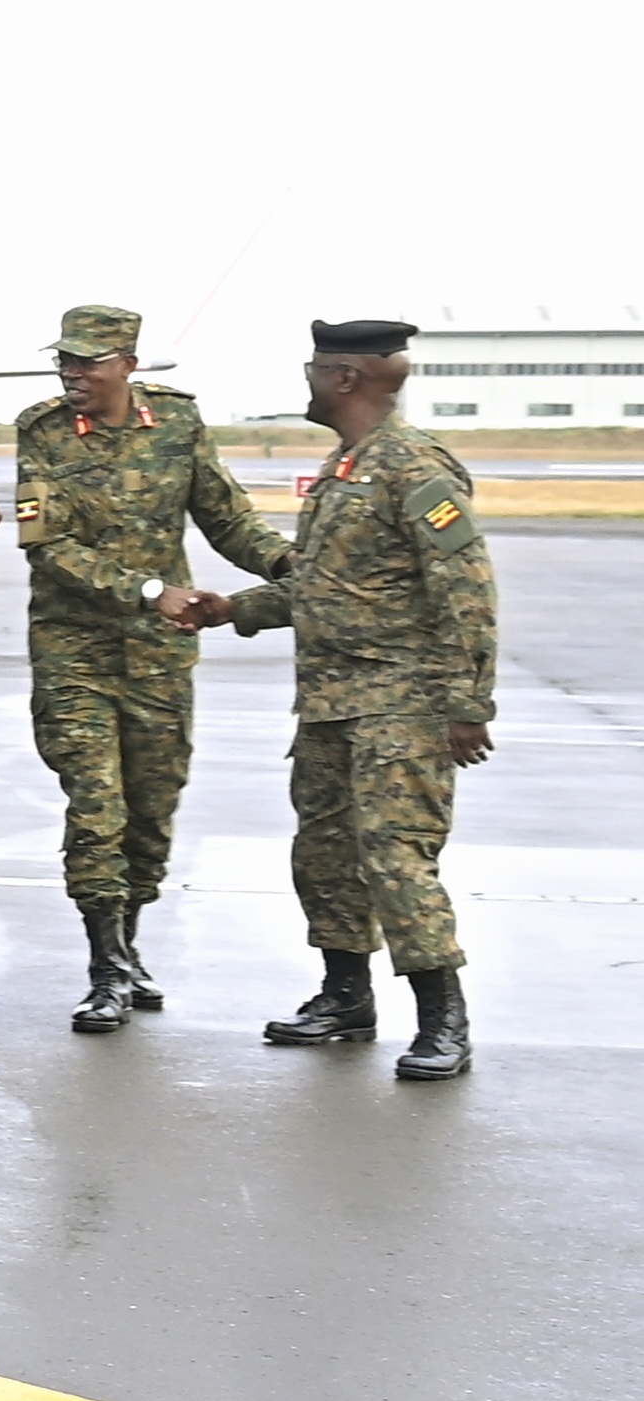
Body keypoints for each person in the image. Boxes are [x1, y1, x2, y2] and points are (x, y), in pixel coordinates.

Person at [174, 320, 496, 1080]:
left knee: (395, 859)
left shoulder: (412, 467)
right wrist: (236, 610)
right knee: (322, 857)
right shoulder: (344, 466)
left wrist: (467, 703)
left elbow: (466, 588)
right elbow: (326, 587)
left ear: (345, 378)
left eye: (314, 369)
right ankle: (345, 997)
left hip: (400, 707)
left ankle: (442, 1020)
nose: (307, 382)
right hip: (327, 704)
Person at [14, 304, 290, 1032]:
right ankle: (103, 964)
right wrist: (146, 592)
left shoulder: (175, 424)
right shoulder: (39, 432)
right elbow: (48, 546)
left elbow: (225, 517)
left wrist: (290, 561)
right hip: (73, 650)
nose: (71, 374)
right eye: (64, 361)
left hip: (159, 658)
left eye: (86, 362)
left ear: (126, 365)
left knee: (151, 812)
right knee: (95, 807)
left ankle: (129, 943)